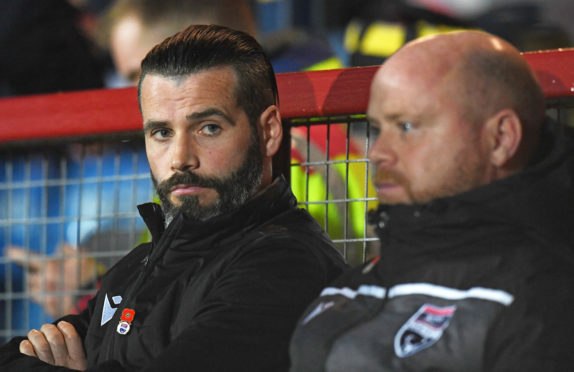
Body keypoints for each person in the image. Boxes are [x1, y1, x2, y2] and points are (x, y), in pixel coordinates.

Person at [0, 24, 347, 371]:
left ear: (268, 131)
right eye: (162, 132)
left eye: (208, 128)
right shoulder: (139, 264)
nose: (181, 157)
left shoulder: (284, 264)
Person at [289, 30, 574, 371]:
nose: (378, 153)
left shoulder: (545, 298)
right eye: (379, 129)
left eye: (407, 126)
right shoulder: (355, 282)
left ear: (500, 139)